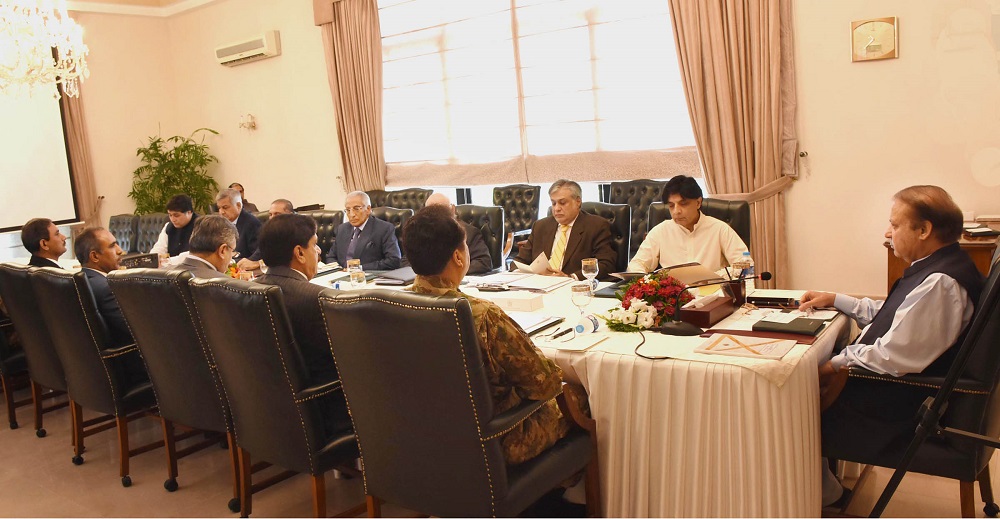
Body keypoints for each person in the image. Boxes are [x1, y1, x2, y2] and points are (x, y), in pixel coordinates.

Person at [798, 185, 984, 506]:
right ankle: (824, 485)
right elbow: (895, 316)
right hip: (890, 391)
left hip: (892, 409)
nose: (888, 232)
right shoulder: (940, 266)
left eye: (895, 225)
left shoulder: (941, 283)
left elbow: (893, 355)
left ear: (924, 229)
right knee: (808, 374)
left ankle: (819, 494)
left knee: (789, 404)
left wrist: (833, 365)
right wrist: (836, 299)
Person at [404, 204, 568, 464]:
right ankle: (567, 498)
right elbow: (545, 384)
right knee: (577, 400)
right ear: (459, 257)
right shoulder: (480, 314)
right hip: (496, 439)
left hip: (427, 435)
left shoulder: (395, 305)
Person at [254, 214, 338, 385]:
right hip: (324, 396)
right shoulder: (317, 298)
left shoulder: (248, 290)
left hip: (269, 391)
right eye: (314, 245)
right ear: (299, 252)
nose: (318, 251)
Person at [627, 175, 748, 273]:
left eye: (683, 204)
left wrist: (716, 277)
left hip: (712, 294)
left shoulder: (720, 229)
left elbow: (745, 264)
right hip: (673, 297)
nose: (676, 211)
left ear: (698, 203)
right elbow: (637, 264)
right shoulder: (660, 231)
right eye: (671, 205)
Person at [511, 179, 616, 280]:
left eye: (562, 203)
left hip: (572, 286)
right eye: (553, 203)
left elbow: (606, 264)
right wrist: (519, 274)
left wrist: (570, 277)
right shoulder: (540, 226)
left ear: (578, 201)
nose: (556, 208)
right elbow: (519, 261)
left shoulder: (596, 226)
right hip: (539, 285)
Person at [76, 227, 132, 349]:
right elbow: (135, 330)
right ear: (95, 256)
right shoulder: (106, 288)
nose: (120, 250)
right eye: (112, 246)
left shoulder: (80, 282)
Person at [325, 191, 401, 271]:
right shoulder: (342, 229)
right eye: (348, 210)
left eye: (356, 209)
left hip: (367, 277)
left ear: (368, 209)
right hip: (340, 278)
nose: (352, 214)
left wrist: (359, 269)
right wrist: (338, 270)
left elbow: (394, 260)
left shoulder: (384, 229)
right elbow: (331, 257)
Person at [424, 192, 493, 274]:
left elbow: (483, 262)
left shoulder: (469, 232)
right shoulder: (422, 232)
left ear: (452, 209)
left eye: (441, 210)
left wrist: (450, 273)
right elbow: (408, 261)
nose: (436, 215)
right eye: (431, 211)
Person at [171, 215, 238, 278]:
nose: (231, 258)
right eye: (232, 251)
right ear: (222, 250)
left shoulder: (164, 275)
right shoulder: (224, 284)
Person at [236, 198, 294, 271]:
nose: (272, 218)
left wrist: (258, 263)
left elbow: (287, 258)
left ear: (290, 215)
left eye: (277, 214)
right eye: (270, 214)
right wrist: (248, 262)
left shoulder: (300, 232)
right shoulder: (270, 232)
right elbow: (260, 253)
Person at [216, 188, 262, 259]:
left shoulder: (251, 223)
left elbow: (259, 253)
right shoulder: (221, 223)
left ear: (238, 206)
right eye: (219, 208)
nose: (221, 212)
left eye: (225, 207)